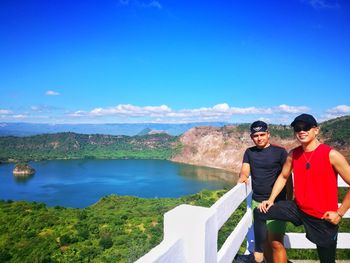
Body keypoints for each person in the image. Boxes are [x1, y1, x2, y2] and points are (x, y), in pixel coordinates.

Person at [254, 113, 350, 263]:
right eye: (297, 128)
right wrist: (271, 200)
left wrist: (340, 213)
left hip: (322, 217)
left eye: (306, 127)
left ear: (316, 130)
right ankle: (258, 252)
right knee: (260, 212)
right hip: (298, 209)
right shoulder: (294, 154)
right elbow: (284, 176)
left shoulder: (331, 154)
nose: (301, 131)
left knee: (326, 260)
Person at [239, 120, 293, 263]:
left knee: (276, 242)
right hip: (257, 201)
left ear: (268, 134)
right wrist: (243, 177)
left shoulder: (280, 152)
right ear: (252, 137)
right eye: (256, 135)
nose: (259, 138)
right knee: (264, 242)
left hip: (277, 203)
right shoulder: (249, 152)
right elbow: (245, 169)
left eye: (262, 134)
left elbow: (286, 177)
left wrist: (289, 199)